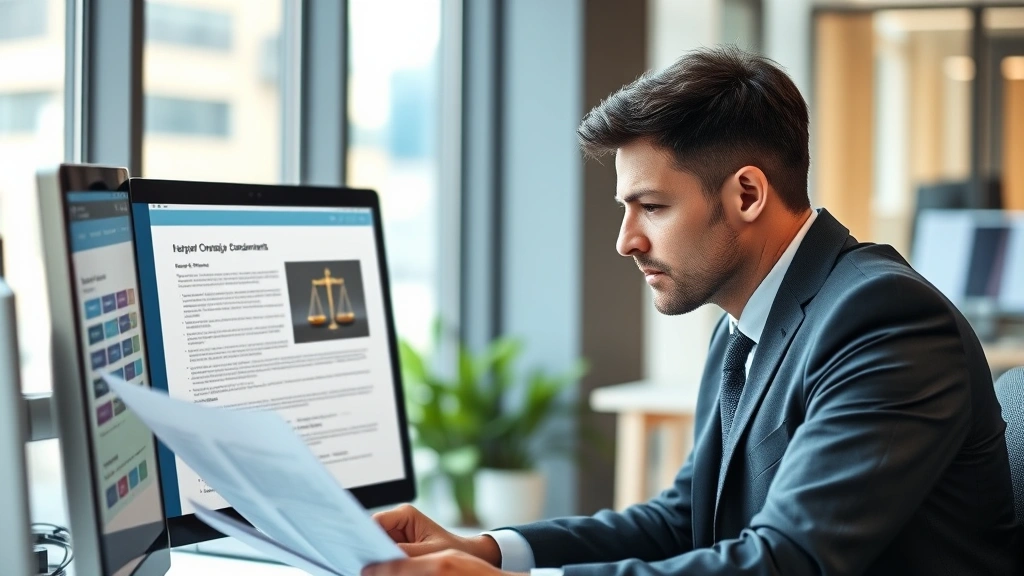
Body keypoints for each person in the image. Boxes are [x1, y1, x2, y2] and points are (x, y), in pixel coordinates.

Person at [363, 46, 1023, 576]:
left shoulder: (884, 320)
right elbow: (685, 517)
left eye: (651, 207)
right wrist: (489, 550)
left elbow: (788, 560)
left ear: (746, 194)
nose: (626, 240)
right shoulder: (743, 326)